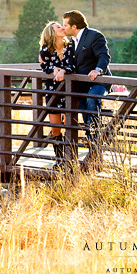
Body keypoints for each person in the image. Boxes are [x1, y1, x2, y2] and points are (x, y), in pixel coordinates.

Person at [60, 10, 111, 151]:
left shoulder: (95, 36)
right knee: (82, 105)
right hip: (81, 85)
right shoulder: (71, 43)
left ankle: (95, 138)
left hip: (98, 82)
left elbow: (104, 56)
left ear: (74, 27)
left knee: (92, 98)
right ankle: (92, 141)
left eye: (65, 25)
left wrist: (98, 70)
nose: (63, 27)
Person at [38, 21, 76, 162]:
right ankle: (59, 159)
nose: (63, 28)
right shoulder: (46, 50)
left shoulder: (70, 46)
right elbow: (45, 68)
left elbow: (73, 65)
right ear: (52, 33)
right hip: (52, 91)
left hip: (69, 90)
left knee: (69, 126)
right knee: (55, 129)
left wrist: (64, 70)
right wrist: (53, 69)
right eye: (59, 27)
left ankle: (69, 159)